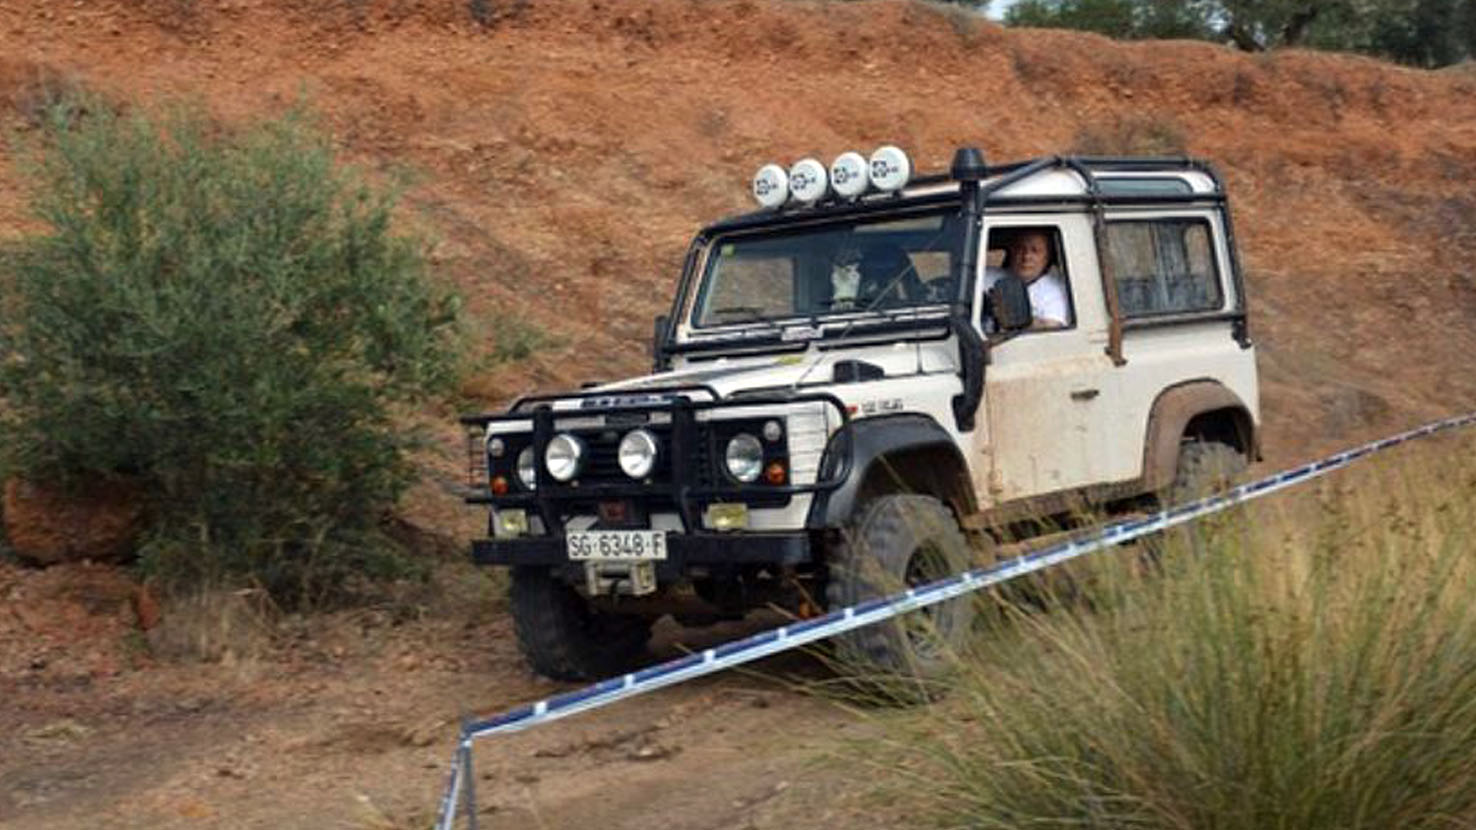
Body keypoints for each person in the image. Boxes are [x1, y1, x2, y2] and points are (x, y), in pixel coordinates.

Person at [983, 229, 1070, 330]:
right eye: (1020, 248)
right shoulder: (986, 275)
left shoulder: (1054, 291)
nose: (1026, 256)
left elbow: (1051, 327)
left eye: (1035, 251)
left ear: (1047, 257)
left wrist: (1014, 316)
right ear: (1012, 251)